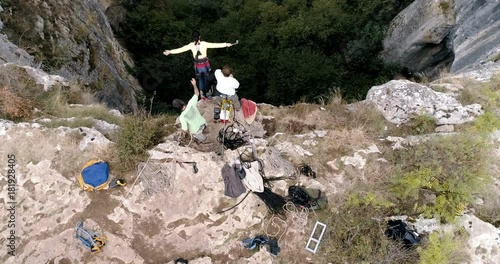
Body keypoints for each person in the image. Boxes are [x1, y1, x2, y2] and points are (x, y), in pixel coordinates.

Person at [163, 31, 233, 100]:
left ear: (193, 38)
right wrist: (226, 44)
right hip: (205, 65)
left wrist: (170, 52)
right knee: (207, 80)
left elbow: (181, 49)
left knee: (201, 80)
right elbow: (215, 45)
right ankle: (207, 94)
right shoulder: (204, 44)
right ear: (199, 37)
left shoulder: (191, 45)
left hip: (198, 67)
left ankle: (202, 94)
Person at [172, 78, 207, 143]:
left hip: (197, 131)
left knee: (200, 140)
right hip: (203, 124)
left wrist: (182, 132)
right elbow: (196, 93)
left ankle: (202, 139)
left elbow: (185, 129)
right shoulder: (191, 103)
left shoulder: (182, 117)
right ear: (181, 101)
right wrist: (194, 84)